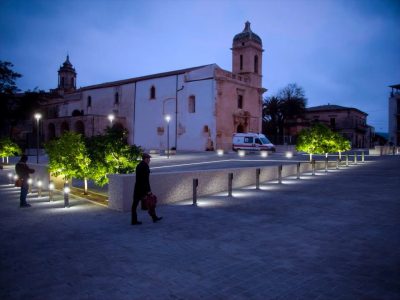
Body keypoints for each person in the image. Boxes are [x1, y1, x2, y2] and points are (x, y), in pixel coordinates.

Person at [131, 153, 162, 225]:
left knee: (134, 205)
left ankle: (134, 221)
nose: (149, 160)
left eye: (149, 159)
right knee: (151, 203)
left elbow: (141, 179)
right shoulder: (145, 166)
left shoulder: (139, 165)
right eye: (148, 159)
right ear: (145, 159)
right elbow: (145, 180)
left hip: (137, 189)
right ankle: (154, 218)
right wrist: (148, 191)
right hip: (143, 190)